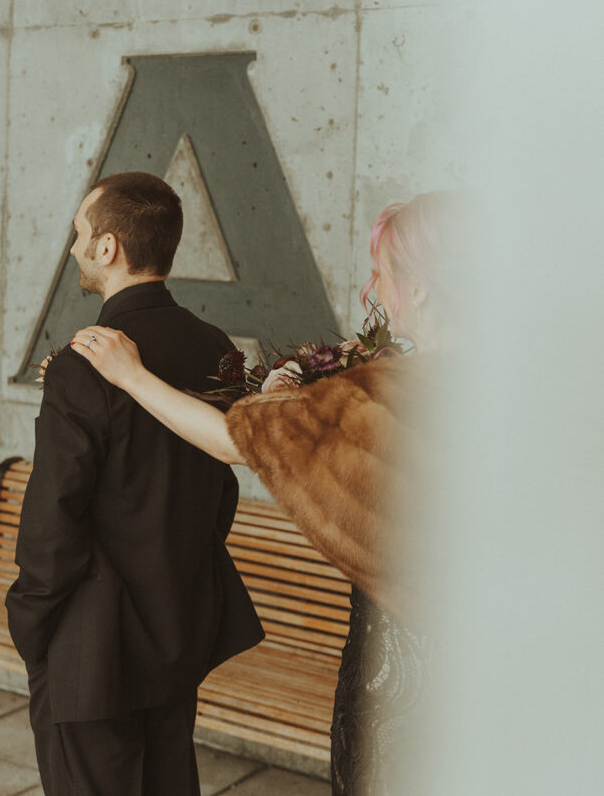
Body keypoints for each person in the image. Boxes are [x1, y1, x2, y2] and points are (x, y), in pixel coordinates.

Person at [70, 190, 466, 794]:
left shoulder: (392, 394)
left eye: (382, 274)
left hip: (410, 669)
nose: (373, 290)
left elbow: (231, 441)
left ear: (420, 289)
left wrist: (131, 376)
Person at [6, 172, 263, 796]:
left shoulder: (80, 364)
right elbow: (216, 491)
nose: (72, 249)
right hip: (179, 627)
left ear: (107, 248)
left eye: (79, 235)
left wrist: (30, 619)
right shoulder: (214, 347)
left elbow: (53, 518)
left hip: (91, 649)